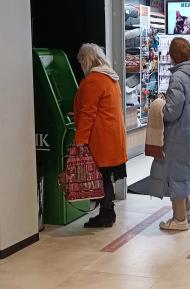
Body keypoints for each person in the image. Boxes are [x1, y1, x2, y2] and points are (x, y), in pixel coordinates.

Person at [148, 37, 190, 231]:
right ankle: (187, 211)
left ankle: (179, 219)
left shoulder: (178, 77)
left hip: (179, 132)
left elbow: (172, 111)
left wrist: (160, 104)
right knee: (185, 171)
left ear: (173, 56)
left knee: (176, 174)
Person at [74, 43, 128, 228]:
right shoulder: (110, 77)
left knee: (101, 178)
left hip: (100, 138)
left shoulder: (93, 80)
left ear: (85, 60)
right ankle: (107, 212)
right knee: (104, 178)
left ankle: (106, 215)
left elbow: (88, 113)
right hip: (112, 137)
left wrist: (80, 141)